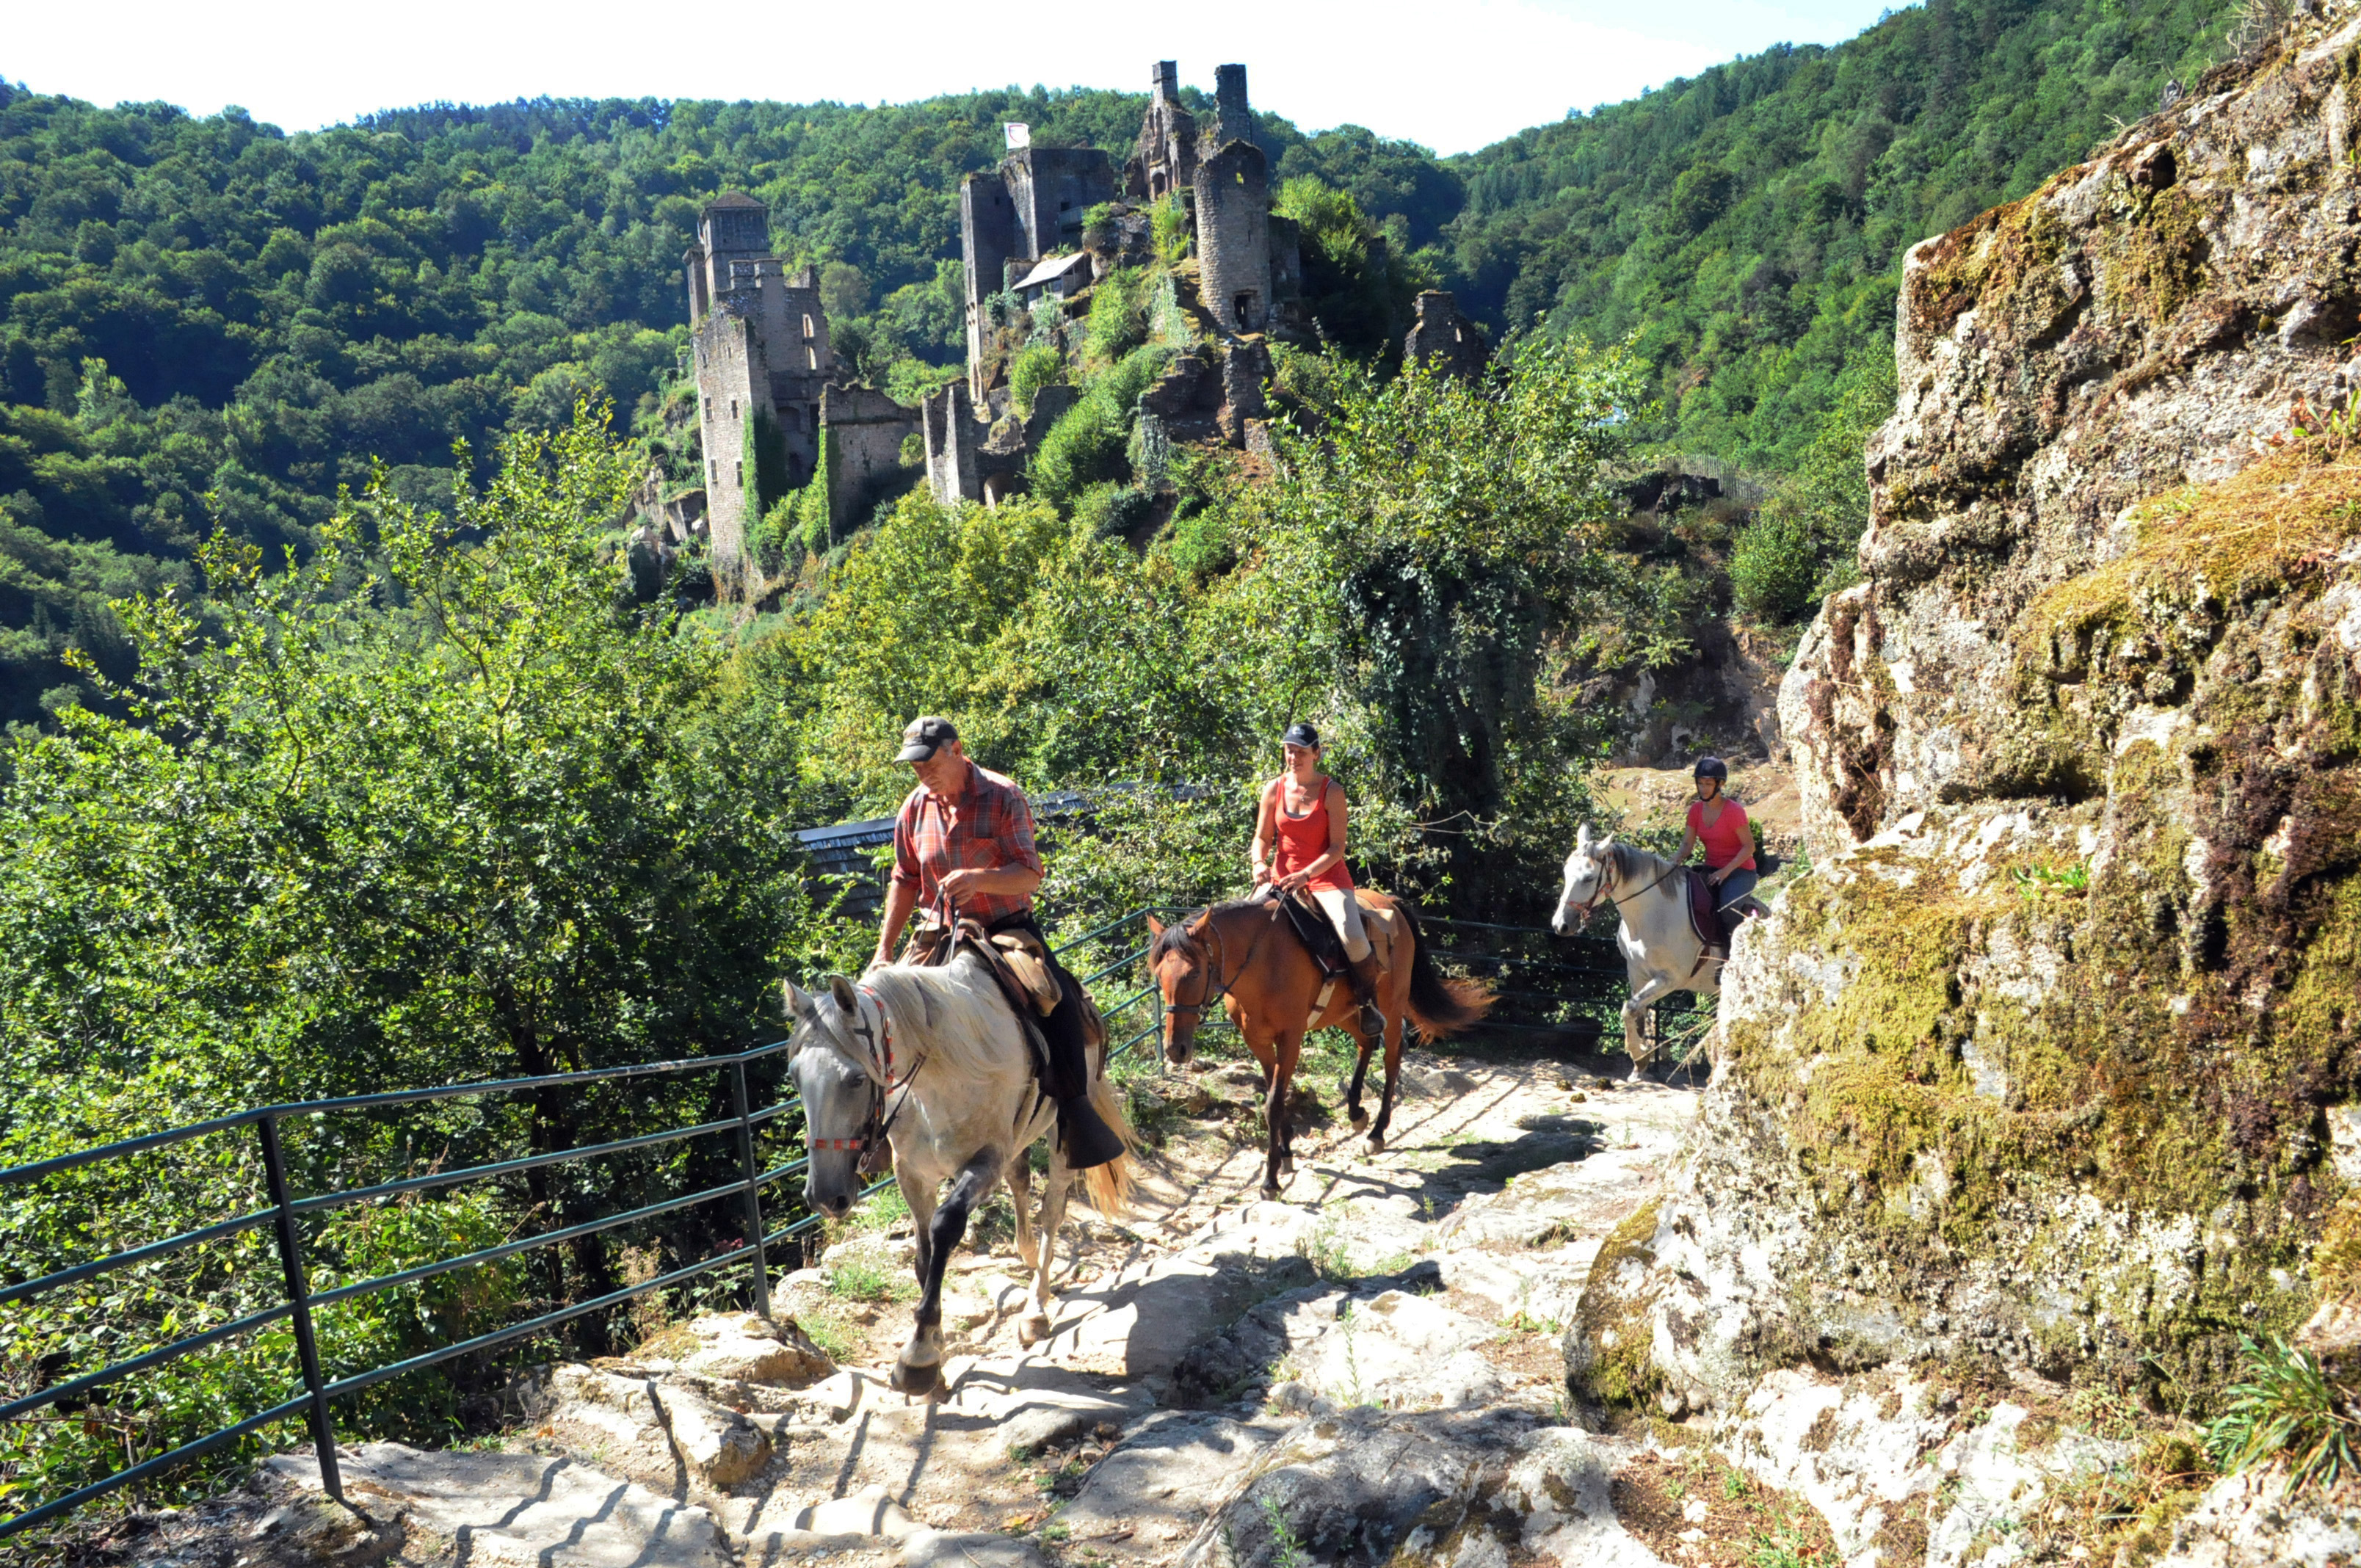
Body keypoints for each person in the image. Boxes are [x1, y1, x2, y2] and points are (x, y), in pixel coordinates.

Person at [871, 715, 1126, 1170]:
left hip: (1005, 928)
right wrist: (884, 952)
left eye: (929, 762)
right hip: (937, 932)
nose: (922, 773)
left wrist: (980, 880)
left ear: (956, 750)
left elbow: (1030, 873)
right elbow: (905, 879)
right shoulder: (914, 807)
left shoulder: (1003, 795)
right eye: (914, 766)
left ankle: (1075, 1112)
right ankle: (874, 1127)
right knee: (875, 1010)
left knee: (1062, 1002)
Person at [1250, 722, 1383, 1035]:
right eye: (1289, 751)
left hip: (1325, 878)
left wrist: (1306, 874)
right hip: (1281, 877)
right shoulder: (1274, 788)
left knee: (1352, 936)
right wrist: (1258, 862)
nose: (1293, 757)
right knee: (1244, 924)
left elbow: (1338, 847)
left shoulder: (1332, 792)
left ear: (1316, 754)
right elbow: (1262, 837)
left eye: (1301, 752)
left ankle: (1367, 1003)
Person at [1675, 755, 1758, 943]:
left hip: (1740, 872)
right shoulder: (1695, 810)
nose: (1703, 788)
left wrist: (1725, 871)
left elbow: (1749, 847)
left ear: (1719, 785)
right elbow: (1687, 845)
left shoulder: (1734, 811)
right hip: (1711, 870)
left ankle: (1737, 948)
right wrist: (1673, 861)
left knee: (1727, 908)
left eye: (1708, 784)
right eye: (1700, 783)